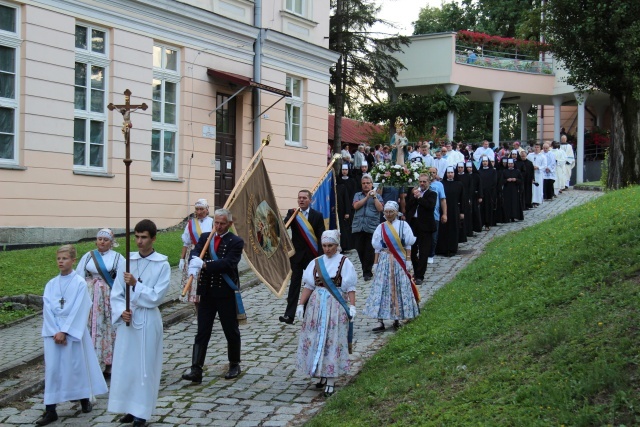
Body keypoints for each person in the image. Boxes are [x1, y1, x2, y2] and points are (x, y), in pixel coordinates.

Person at [36, 245, 108, 426]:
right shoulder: (51, 284)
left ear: (73, 260)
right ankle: (50, 409)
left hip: (72, 332)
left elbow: (80, 308)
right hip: (53, 333)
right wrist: (55, 331)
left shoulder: (79, 283)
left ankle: (84, 398)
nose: (61, 261)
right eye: (59, 259)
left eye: (65, 258)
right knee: (52, 370)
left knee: (76, 367)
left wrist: (65, 331)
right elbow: (47, 309)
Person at [108, 219, 171, 427]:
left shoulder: (162, 264)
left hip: (147, 319)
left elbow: (156, 297)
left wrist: (135, 285)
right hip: (129, 319)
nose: (139, 241)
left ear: (153, 238)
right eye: (136, 236)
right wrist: (121, 311)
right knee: (126, 365)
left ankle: (142, 412)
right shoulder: (127, 261)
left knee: (144, 366)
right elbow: (116, 293)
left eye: (144, 237)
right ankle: (129, 407)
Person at [181, 208, 245, 383]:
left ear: (230, 224)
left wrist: (205, 265)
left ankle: (234, 363)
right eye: (216, 222)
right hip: (207, 292)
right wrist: (194, 259)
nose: (218, 226)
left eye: (222, 223)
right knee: (202, 330)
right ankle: (196, 369)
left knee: (230, 330)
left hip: (225, 292)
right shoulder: (205, 237)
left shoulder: (236, 241)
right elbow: (196, 251)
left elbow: (229, 263)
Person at [295, 230, 357, 397]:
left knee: (332, 340)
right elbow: (308, 286)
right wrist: (301, 305)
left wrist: (352, 306)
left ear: (337, 245)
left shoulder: (345, 263)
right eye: (324, 246)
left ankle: (330, 379)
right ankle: (320, 373)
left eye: (330, 245)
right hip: (316, 307)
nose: (327, 249)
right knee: (316, 338)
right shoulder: (315, 262)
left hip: (335, 306)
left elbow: (350, 287)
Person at [75, 228, 125, 376]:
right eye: (100, 239)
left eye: (106, 239)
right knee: (90, 326)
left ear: (111, 242)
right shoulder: (88, 256)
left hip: (107, 297)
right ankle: (90, 362)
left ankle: (109, 363)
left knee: (108, 326)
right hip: (90, 295)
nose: (102, 242)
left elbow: (122, 278)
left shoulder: (117, 258)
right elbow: (79, 275)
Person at [364, 201, 418, 332]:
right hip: (384, 260)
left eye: (391, 212)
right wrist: (375, 263)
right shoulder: (381, 227)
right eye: (386, 212)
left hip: (399, 260)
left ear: (396, 212)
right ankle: (380, 320)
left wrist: (408, 260)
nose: (388, 214)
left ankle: (397, 318)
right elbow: (377, 248)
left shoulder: (403, 225)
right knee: (382, 288)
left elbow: (408, 244)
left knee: (398, 287)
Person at [281, 190, 325, 324]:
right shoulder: (293, 213)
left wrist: (320, 257)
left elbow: (320, 236)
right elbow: (284, 227)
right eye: (299, 198)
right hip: (297, 256)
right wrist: (290, 217)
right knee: (294, 284)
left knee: (311, 284)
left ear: (310, 200)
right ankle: (289, 315)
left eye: (304, 198)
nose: (301, 200)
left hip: (312, 256)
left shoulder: (317, 215)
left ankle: (307, 311)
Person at [179, 199, 213, 315]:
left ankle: (209, 311)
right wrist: (182, 259)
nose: (199, 212)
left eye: (201, 209)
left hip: (208, 253)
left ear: (207, 210)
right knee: (194, 286)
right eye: (197, 209)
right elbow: (186, 243)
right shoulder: (190, 224)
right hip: (194, 254)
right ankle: (198, 313)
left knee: (206, 284)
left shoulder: (212, 222)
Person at [405, 173, 437, 285]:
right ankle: (416, 270)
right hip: (413, 224)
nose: (422, 183)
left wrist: (420, 198)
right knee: (412, 251)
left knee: (424, 252)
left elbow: (429, 206)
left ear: (428, 182)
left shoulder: (432, 194)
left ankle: (420, 275)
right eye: (421, 181)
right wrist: (414, 197)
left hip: (426, 226)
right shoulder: (413, 193)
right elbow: (407, 207)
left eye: (424, 181)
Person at [352, 174, 384, 281]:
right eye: (364, 183)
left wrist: (374, 197)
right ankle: (365, 269)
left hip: (372, 227)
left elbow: (380, 209)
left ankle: (367, 272)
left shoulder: (378, 196)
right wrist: (367, 197)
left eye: (368, 183)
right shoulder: (358, 195)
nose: (366, 185)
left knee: (369, 250)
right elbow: (356, 206)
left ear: (372, 184)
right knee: (360, 249)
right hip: (359, 226)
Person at [436, 167, 464, 257]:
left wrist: (462, 212)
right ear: (446, 174)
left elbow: (462, 199)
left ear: (454, 173)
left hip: (455, 209)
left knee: (453, 228)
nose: (450, 174)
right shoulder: (442, 184)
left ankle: (452, 248)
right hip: (443, 209)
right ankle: (442, 248)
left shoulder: (459, 184)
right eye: (448, 173)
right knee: (443, 229)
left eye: (452, 172)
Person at [427, 167, 447, 264]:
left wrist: (444, 214)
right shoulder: (422, 183)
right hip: (424, 215)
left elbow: (443, 199)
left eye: (434, 172)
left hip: (435, 214)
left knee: (434, 237)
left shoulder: (439, 185)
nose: (432, 174)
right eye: (430, 172)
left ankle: (431, 254)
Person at [337, 164, 356, 253]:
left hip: (349, 205)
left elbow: (353, 193)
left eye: (346, 170)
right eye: (343, 170)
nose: (344, 171)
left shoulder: (352, 181)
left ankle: (348, 245)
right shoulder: (339, 181)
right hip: (341, 206)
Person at [477, 157, 497, 230]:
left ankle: (488, 223)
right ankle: (481, 223)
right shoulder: (479, 171)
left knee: (488, 208)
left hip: (490, 193)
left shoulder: (493, 171)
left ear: (488, 162)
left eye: (486, 161)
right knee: (481, 208)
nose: (484, 163)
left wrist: (490, 190)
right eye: (483, 161)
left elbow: (494, 182)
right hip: (481, 192)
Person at [466, 161, 484, 233]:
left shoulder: (476, 176)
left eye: (470, 167)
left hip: (474, 196)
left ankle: (476, 227)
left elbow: (480, 186)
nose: (469, 169)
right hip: (467, 196)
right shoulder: (465, 176)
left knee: (475, 212)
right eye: (467, 167)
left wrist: (480, 196)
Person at [527, 143, 546, 207]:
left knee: (537, 187)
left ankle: (537, 201)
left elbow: (544, 166)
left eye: (538, 147)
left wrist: (538, 167)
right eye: (535, 147)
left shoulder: (543, 156)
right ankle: (531, 200)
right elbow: (527, 163)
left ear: (540, 148)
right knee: (531, 187)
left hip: (538, 174)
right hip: (531, 174)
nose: (536, 148)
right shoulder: (530, 155)